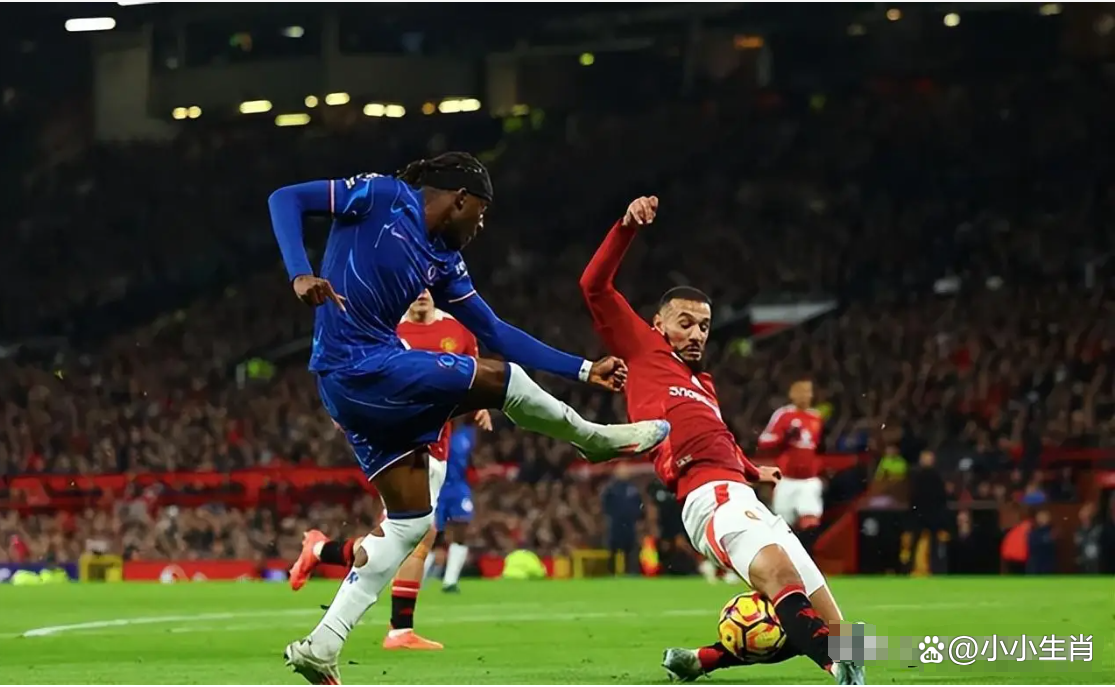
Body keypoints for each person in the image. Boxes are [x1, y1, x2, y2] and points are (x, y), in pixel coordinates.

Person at [268, 154, 671, 684]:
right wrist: (299, 272)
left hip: (358, 387)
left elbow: (496, 330)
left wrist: (583, 368)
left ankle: (322, 645)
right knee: (500, 379)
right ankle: (590, 438)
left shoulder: (442, 261)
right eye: (480, 213)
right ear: (460, 199)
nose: (480, 227)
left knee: (410, 522)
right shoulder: (382, 196)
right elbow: (286, 199)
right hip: (359, 368)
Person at [578, 196, 862, 685]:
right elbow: (593, 286)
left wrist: (752, 469)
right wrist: (625, 226)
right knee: (782, 580)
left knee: (845, 633)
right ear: (659, 325)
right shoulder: (643, 350)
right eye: (685, 323)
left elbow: (716, 438)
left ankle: (702, 660)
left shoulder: (702, 385)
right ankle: (839, 669)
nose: (696, 334)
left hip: (744, 494)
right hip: (709, 499)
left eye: (704, 326)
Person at [288, 290, 491, 651]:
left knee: (412, 537)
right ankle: (392, 628)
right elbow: (353, 370)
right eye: (414, 288)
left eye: (426, 287)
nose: (422, 294)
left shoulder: (458, 331)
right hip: (397, 442)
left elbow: (473, 376)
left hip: (439, 443)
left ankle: (324, 552)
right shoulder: (385, 329)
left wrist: (480, 406)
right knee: (408, 533)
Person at [758, 379, 826, 540]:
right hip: (787, 479)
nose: (805, 395)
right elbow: (764, 440)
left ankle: (809, 553)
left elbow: (818, 447)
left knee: (811, 523)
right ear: (792, 394)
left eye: (808, 391)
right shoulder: (784, 415)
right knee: (782, 526)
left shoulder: (816, 417)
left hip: (808, 480)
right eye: (801, 391)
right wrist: (784, 436)